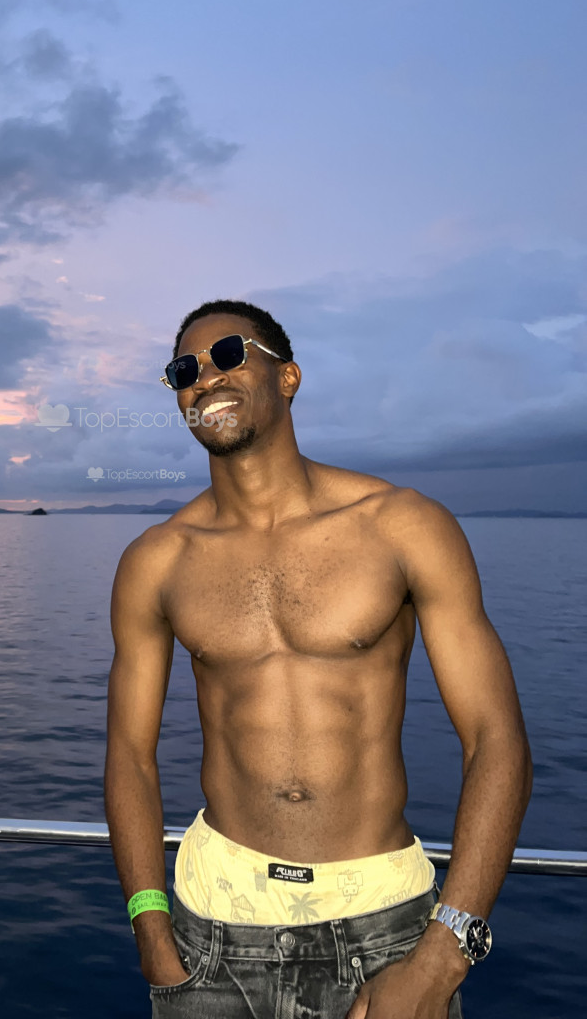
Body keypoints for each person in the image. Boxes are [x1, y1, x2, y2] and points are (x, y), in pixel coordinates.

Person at [104, 299, 531, 1019]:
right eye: (184, 370)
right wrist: (150, 926)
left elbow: (497, 740)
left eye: (229, 355)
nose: (205, 379)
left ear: (288, 377)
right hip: (211, 933)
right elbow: (129, 755)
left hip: (386, 928)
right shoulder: (157, 560)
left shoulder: (403, 526)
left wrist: (441, 959)